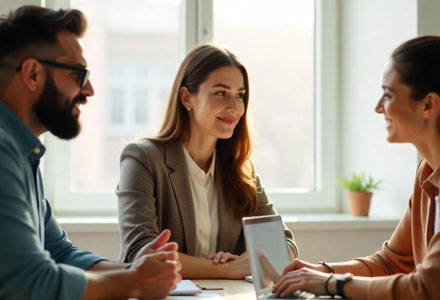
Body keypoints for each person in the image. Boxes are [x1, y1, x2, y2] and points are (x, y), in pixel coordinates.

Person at [0, 5, 181, 300]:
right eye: (78, 74)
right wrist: (134, 282)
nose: (90, 90)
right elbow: (30, 283)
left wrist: (132, 270)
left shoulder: (22, 153)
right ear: (33, 74)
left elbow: (58, 251)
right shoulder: (3, 150)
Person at [273, 35, 440, 300]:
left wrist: (331, 283)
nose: (378, 108)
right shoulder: (427, 174)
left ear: (428, 105)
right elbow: (392, 262)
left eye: (387, 95)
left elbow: (427, 289)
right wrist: (318, 271)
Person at [117, 44, 299, 279]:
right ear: (186, 98)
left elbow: (285, 244)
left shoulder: (240, 168)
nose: (234, 107)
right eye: (220, 93)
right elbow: (141, 252)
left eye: (239, 95)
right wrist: (228, 269)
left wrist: (249, 260)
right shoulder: (142, 159)